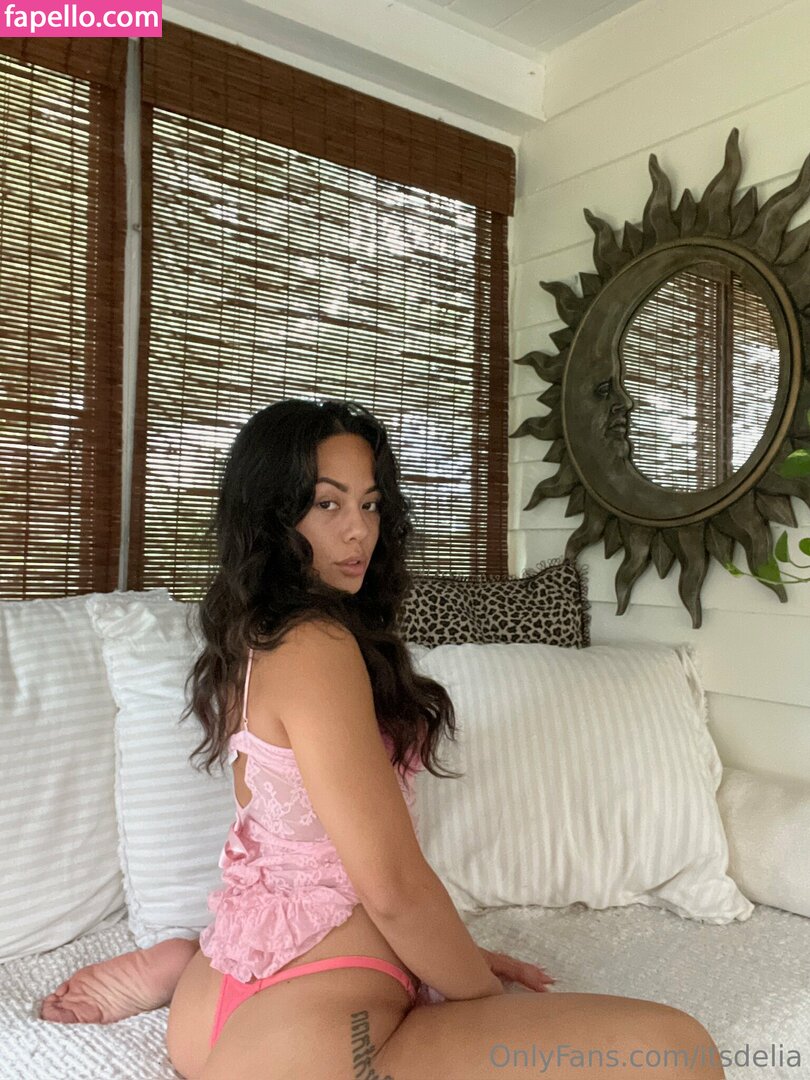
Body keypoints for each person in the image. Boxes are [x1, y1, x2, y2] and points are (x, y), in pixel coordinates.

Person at [40, 399, 726, 1079]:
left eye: (369, 505)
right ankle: (181, 962)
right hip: (323, 1025)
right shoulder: (317, 645)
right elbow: (392, 888)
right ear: (272, 515)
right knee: (679, 1049)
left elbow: (303, 845)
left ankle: (180, 962)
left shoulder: (258, 638)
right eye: (327, 504)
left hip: (222, 998)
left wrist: (455, 956)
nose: (358, 531)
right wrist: (481, 1003)